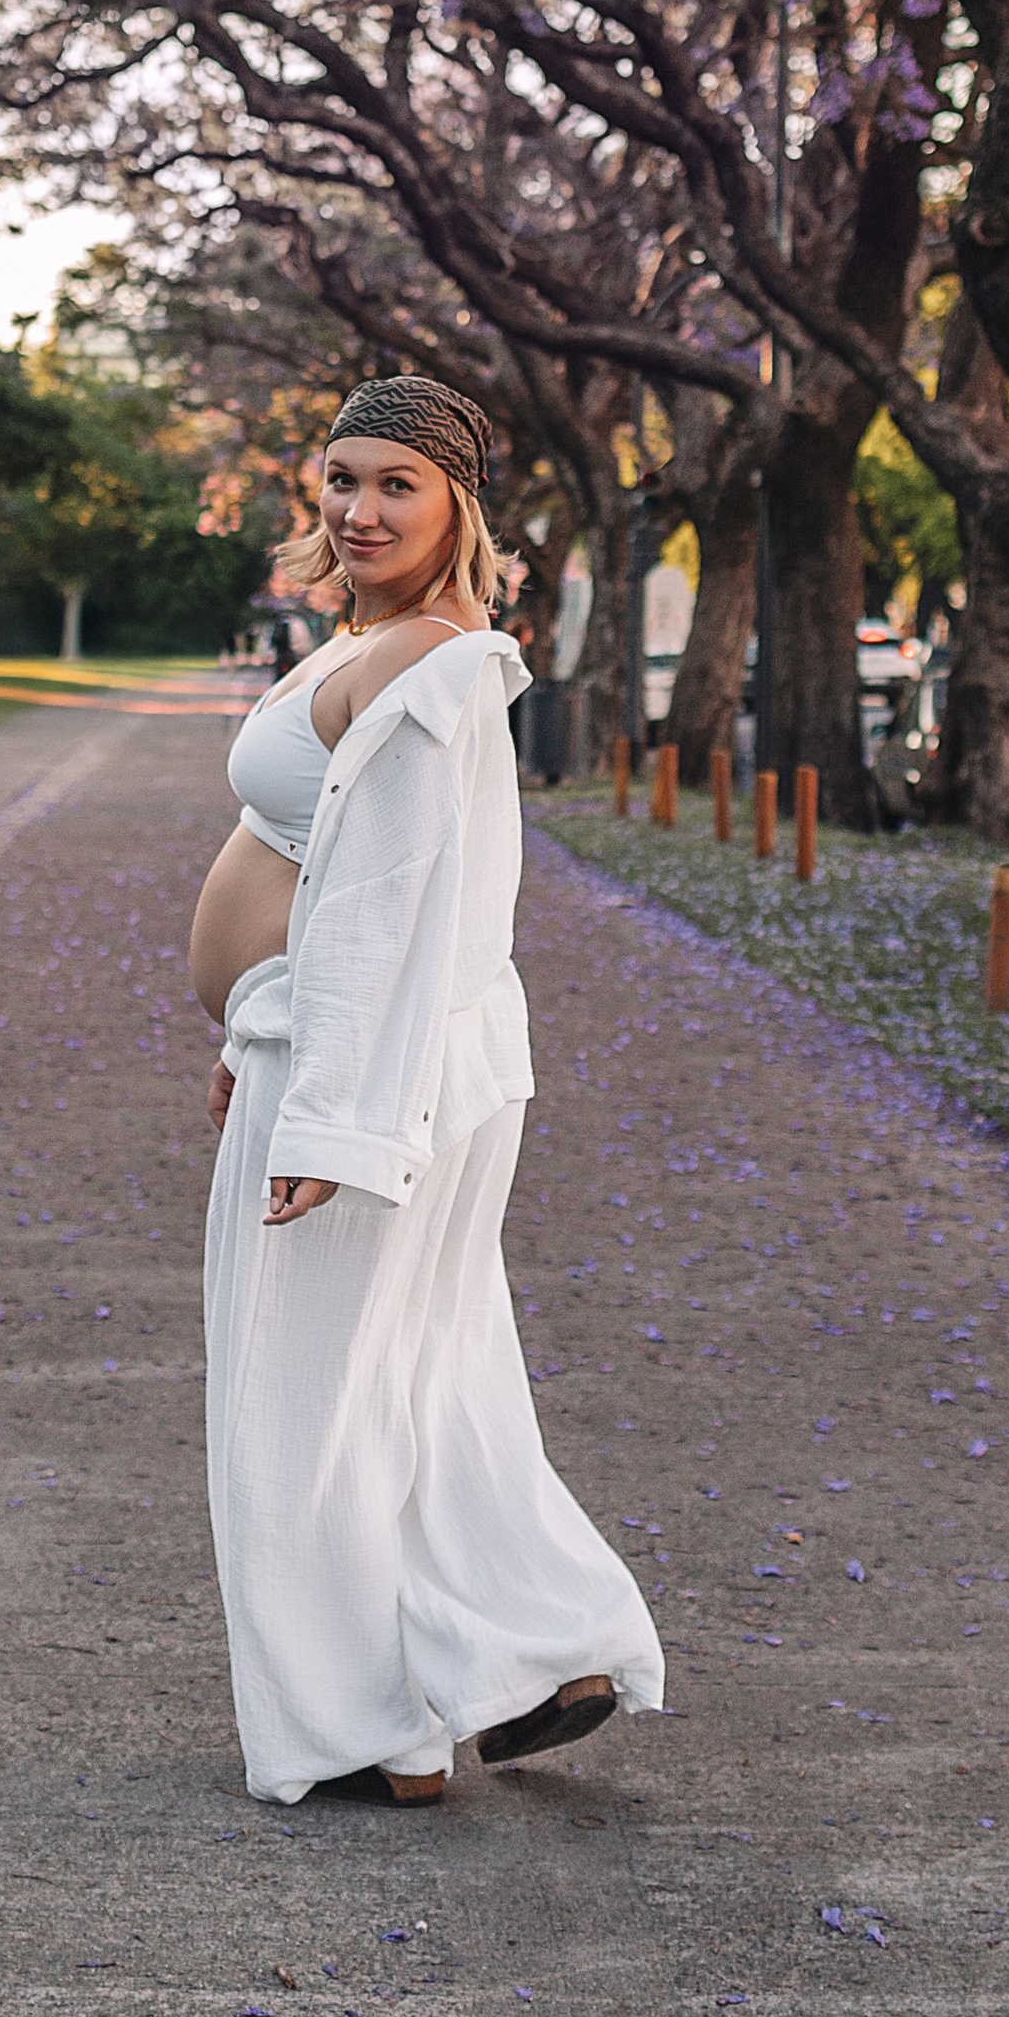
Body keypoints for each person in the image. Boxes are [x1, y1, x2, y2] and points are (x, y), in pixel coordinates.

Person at [188, 374, 664, 1807]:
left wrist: (334, 1115)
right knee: (424, 1382)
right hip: (344, 1060)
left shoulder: (435, 664)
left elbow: (395, 911)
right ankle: (530, 1649)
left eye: (398, 482)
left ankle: (374, 1724)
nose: (362, 507)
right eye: (342, 478)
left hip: (367, 1079)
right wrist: (250, 1041)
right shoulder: (382, 639)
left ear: (459, 501)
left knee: (301, 1403)